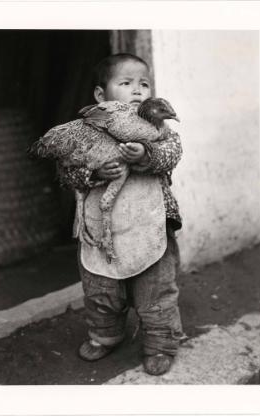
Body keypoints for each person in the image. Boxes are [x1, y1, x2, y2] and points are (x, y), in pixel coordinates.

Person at [59, 53, 186, 376]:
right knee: (102, 290)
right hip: (102, 229)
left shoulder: (161, 129)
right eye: (126, 83)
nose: (137, 91)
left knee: (155, 291)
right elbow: (68, 173)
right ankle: (106, 334)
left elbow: (172, 154)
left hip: (150, 225)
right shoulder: (90, 132)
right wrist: (95, 172)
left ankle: (160, 343)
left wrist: (147, 154)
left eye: (144, 84)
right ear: (101, 96)